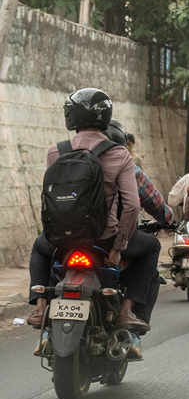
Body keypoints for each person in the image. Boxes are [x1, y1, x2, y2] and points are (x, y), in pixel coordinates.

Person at [26, 90, 161, 359]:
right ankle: (126, 313)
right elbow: (132, 206)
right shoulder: (120, 154)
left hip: (61, 239)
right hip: (104, 240)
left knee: (38, 250)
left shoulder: (56, 151)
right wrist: (118, 249)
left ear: (71, 116)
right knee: (152, 247)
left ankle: (41, 307)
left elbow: (49, 200)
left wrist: (53, 234)